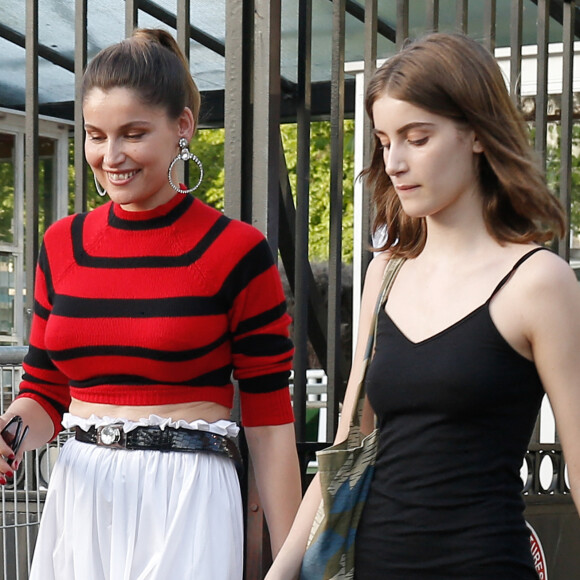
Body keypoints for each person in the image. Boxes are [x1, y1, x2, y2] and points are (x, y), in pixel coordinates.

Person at [266, 32, 580, 579]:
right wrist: (279, 573)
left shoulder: (539, 282)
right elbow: (346, 449)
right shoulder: (385, 274)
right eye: (386, 141)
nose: (395, 162)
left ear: (478, 135)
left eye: (418, 137)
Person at [0, 28, 301, 580]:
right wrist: (8, 436)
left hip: (187, 500)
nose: (110, 156)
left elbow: (268, 419)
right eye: (95, 135)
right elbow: (44, 392)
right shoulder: (61, 245)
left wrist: (292, 563)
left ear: (182, 127)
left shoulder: (237, 251)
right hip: (79, 495)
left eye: (132, 134)